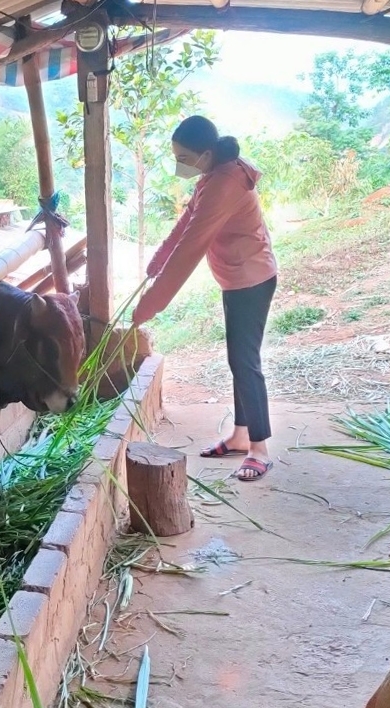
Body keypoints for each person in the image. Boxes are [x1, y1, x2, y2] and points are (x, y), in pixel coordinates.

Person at [130, 115, 278, 481]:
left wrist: (148, 306)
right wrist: (156, 260)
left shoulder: (224, 184)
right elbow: (185, 224)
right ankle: (241, 436)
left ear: (206, 153)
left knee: (245, 362)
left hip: (250, 278)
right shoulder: (212, 176)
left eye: (183, 156)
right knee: (238, 359)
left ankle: (260, 449)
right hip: (238, 277)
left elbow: (191, 247)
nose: (180, 163)